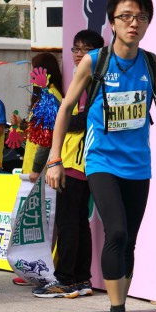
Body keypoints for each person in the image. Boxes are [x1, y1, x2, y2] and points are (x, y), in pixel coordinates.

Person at [45, 0, 156, 312]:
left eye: (141, 17)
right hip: (101, 161)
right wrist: (54, 158)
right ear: (112, 22)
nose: (134, 23)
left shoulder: (151, 63)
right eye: (126, 16)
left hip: (138, 166)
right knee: (115, 231)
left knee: (128, 239)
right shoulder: (94, 61)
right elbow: (65, 108)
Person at [33, 29, 104, 298]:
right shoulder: (84, 78)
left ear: (98, 53)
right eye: (76, 49)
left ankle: (65, 280)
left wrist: (57, 119)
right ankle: (82, 279)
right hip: (81, 162)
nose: (78, 54)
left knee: (68, 223)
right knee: (78, 222)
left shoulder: (90, 81)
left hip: (75, 162)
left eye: (85, 49)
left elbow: (86, 120)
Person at [11, 52, 63, 287]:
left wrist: (36, 168)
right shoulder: (45, 96)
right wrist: (22, 125)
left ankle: (42, 269)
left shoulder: (50, 97)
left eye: (34, 70)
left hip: (42, 170)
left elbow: (47, 139)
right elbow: (39, 132)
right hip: (38, 168)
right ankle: (37, 268)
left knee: (44, 224)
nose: (31, 75)